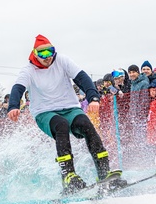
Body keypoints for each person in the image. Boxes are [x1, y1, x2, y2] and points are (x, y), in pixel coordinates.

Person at [7, 34, 126, 194]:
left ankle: (104, 173)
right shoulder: (29, 70)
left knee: (86, 125)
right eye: (42, 54)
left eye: (50, 52)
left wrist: (94, 98)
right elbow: (18, 88)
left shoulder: (62, 61)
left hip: (69, 107)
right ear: (35, 54)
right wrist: (13, 106)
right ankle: (68, 176)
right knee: (61, 125)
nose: (47, 57)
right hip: (45, 113)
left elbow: (82, 78)